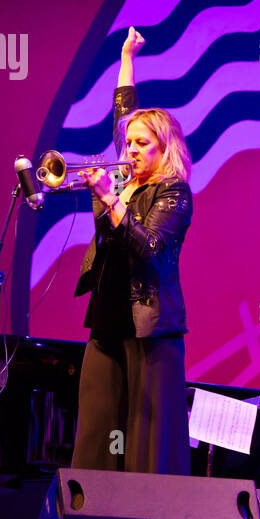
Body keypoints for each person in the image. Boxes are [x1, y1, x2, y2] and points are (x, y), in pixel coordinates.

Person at [71, 27, 194, 476]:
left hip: (150, 329)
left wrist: (110, 201)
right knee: (97, 435)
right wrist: (126, 57)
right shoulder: (123, 179)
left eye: (143, 143)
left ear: (165, 149)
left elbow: (150, 249)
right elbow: (122, 112)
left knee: (147, 442)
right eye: (128, 143)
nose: (131, 149)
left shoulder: (173, 191)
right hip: (106, 321)